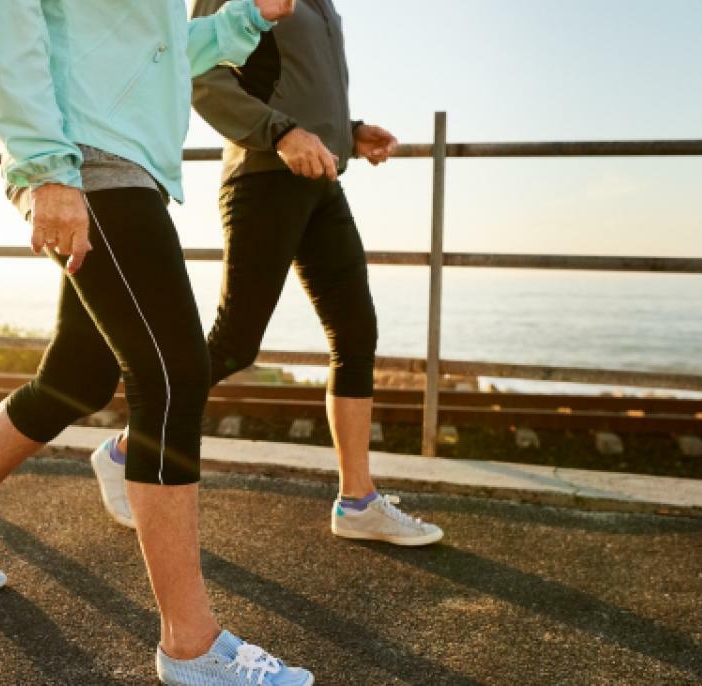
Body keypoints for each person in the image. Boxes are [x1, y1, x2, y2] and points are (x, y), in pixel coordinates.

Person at [0, 1, 314, 684]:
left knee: (77, 377)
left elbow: (162, 46)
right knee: (174, 376)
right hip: (86, 161)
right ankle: (191, 645)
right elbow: (13, 27)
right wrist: (46, 169)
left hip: (130, 166)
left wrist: (249, 16)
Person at [90, 0, 444, 547]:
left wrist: (347, 132)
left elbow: (295, 80)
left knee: (356, 334)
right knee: (236, 342)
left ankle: (357, 502)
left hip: (320, 179)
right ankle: (126, 450)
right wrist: (279, 133)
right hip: (263, 177)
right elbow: (196, 71)